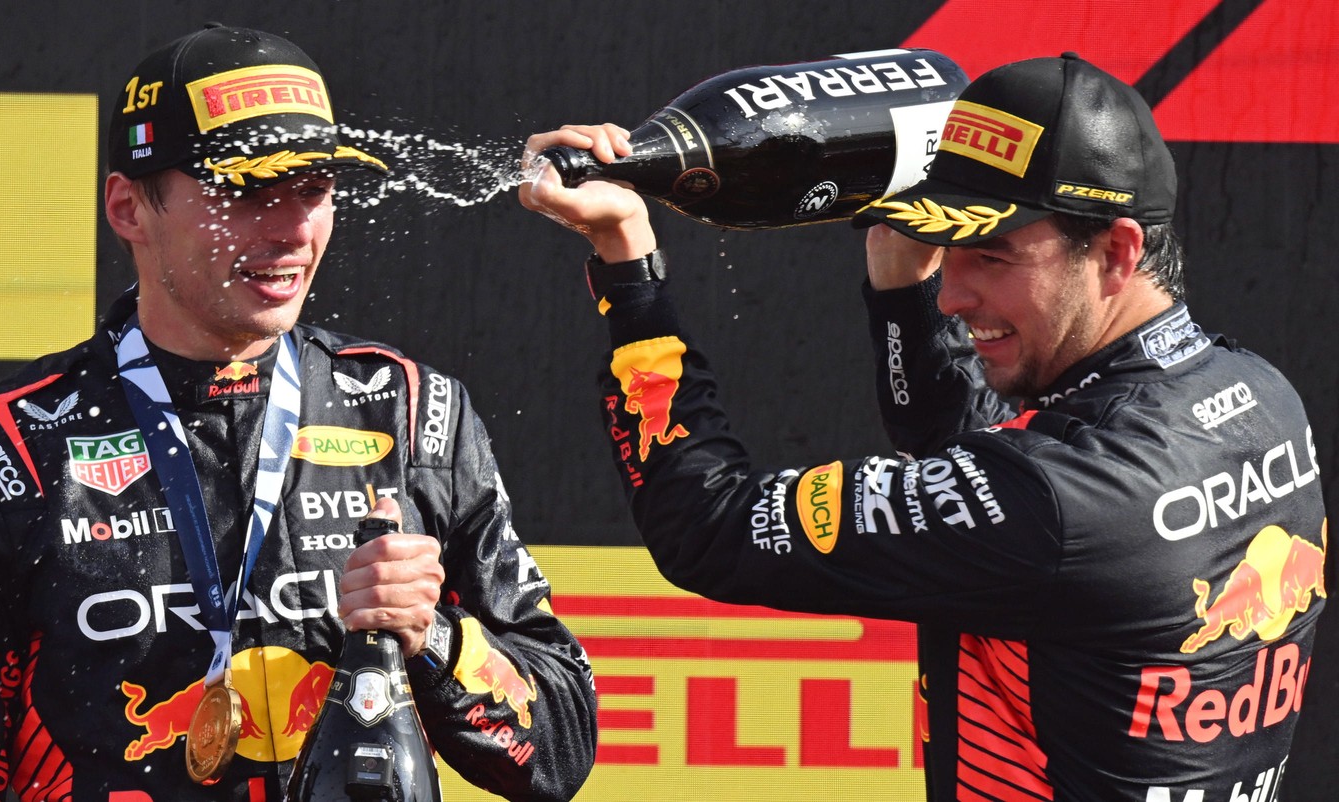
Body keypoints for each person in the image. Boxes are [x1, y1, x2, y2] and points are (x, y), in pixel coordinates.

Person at [520, 52, 1325, 801]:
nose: (952, 292)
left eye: (994, 254)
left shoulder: (1062, 506)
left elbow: (707, 527)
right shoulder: (1256, 393)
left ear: (1116, 252)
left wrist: (627, 264)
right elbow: (985, 479)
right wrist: (904, 291)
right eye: (945, 244)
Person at [0, 24, 595, 802]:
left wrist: (435, 642)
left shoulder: (413, 411)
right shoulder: (5, 448)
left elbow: (560, 750)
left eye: (312, 189)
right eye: (243, 192)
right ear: (129, 208)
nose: (289, 229)